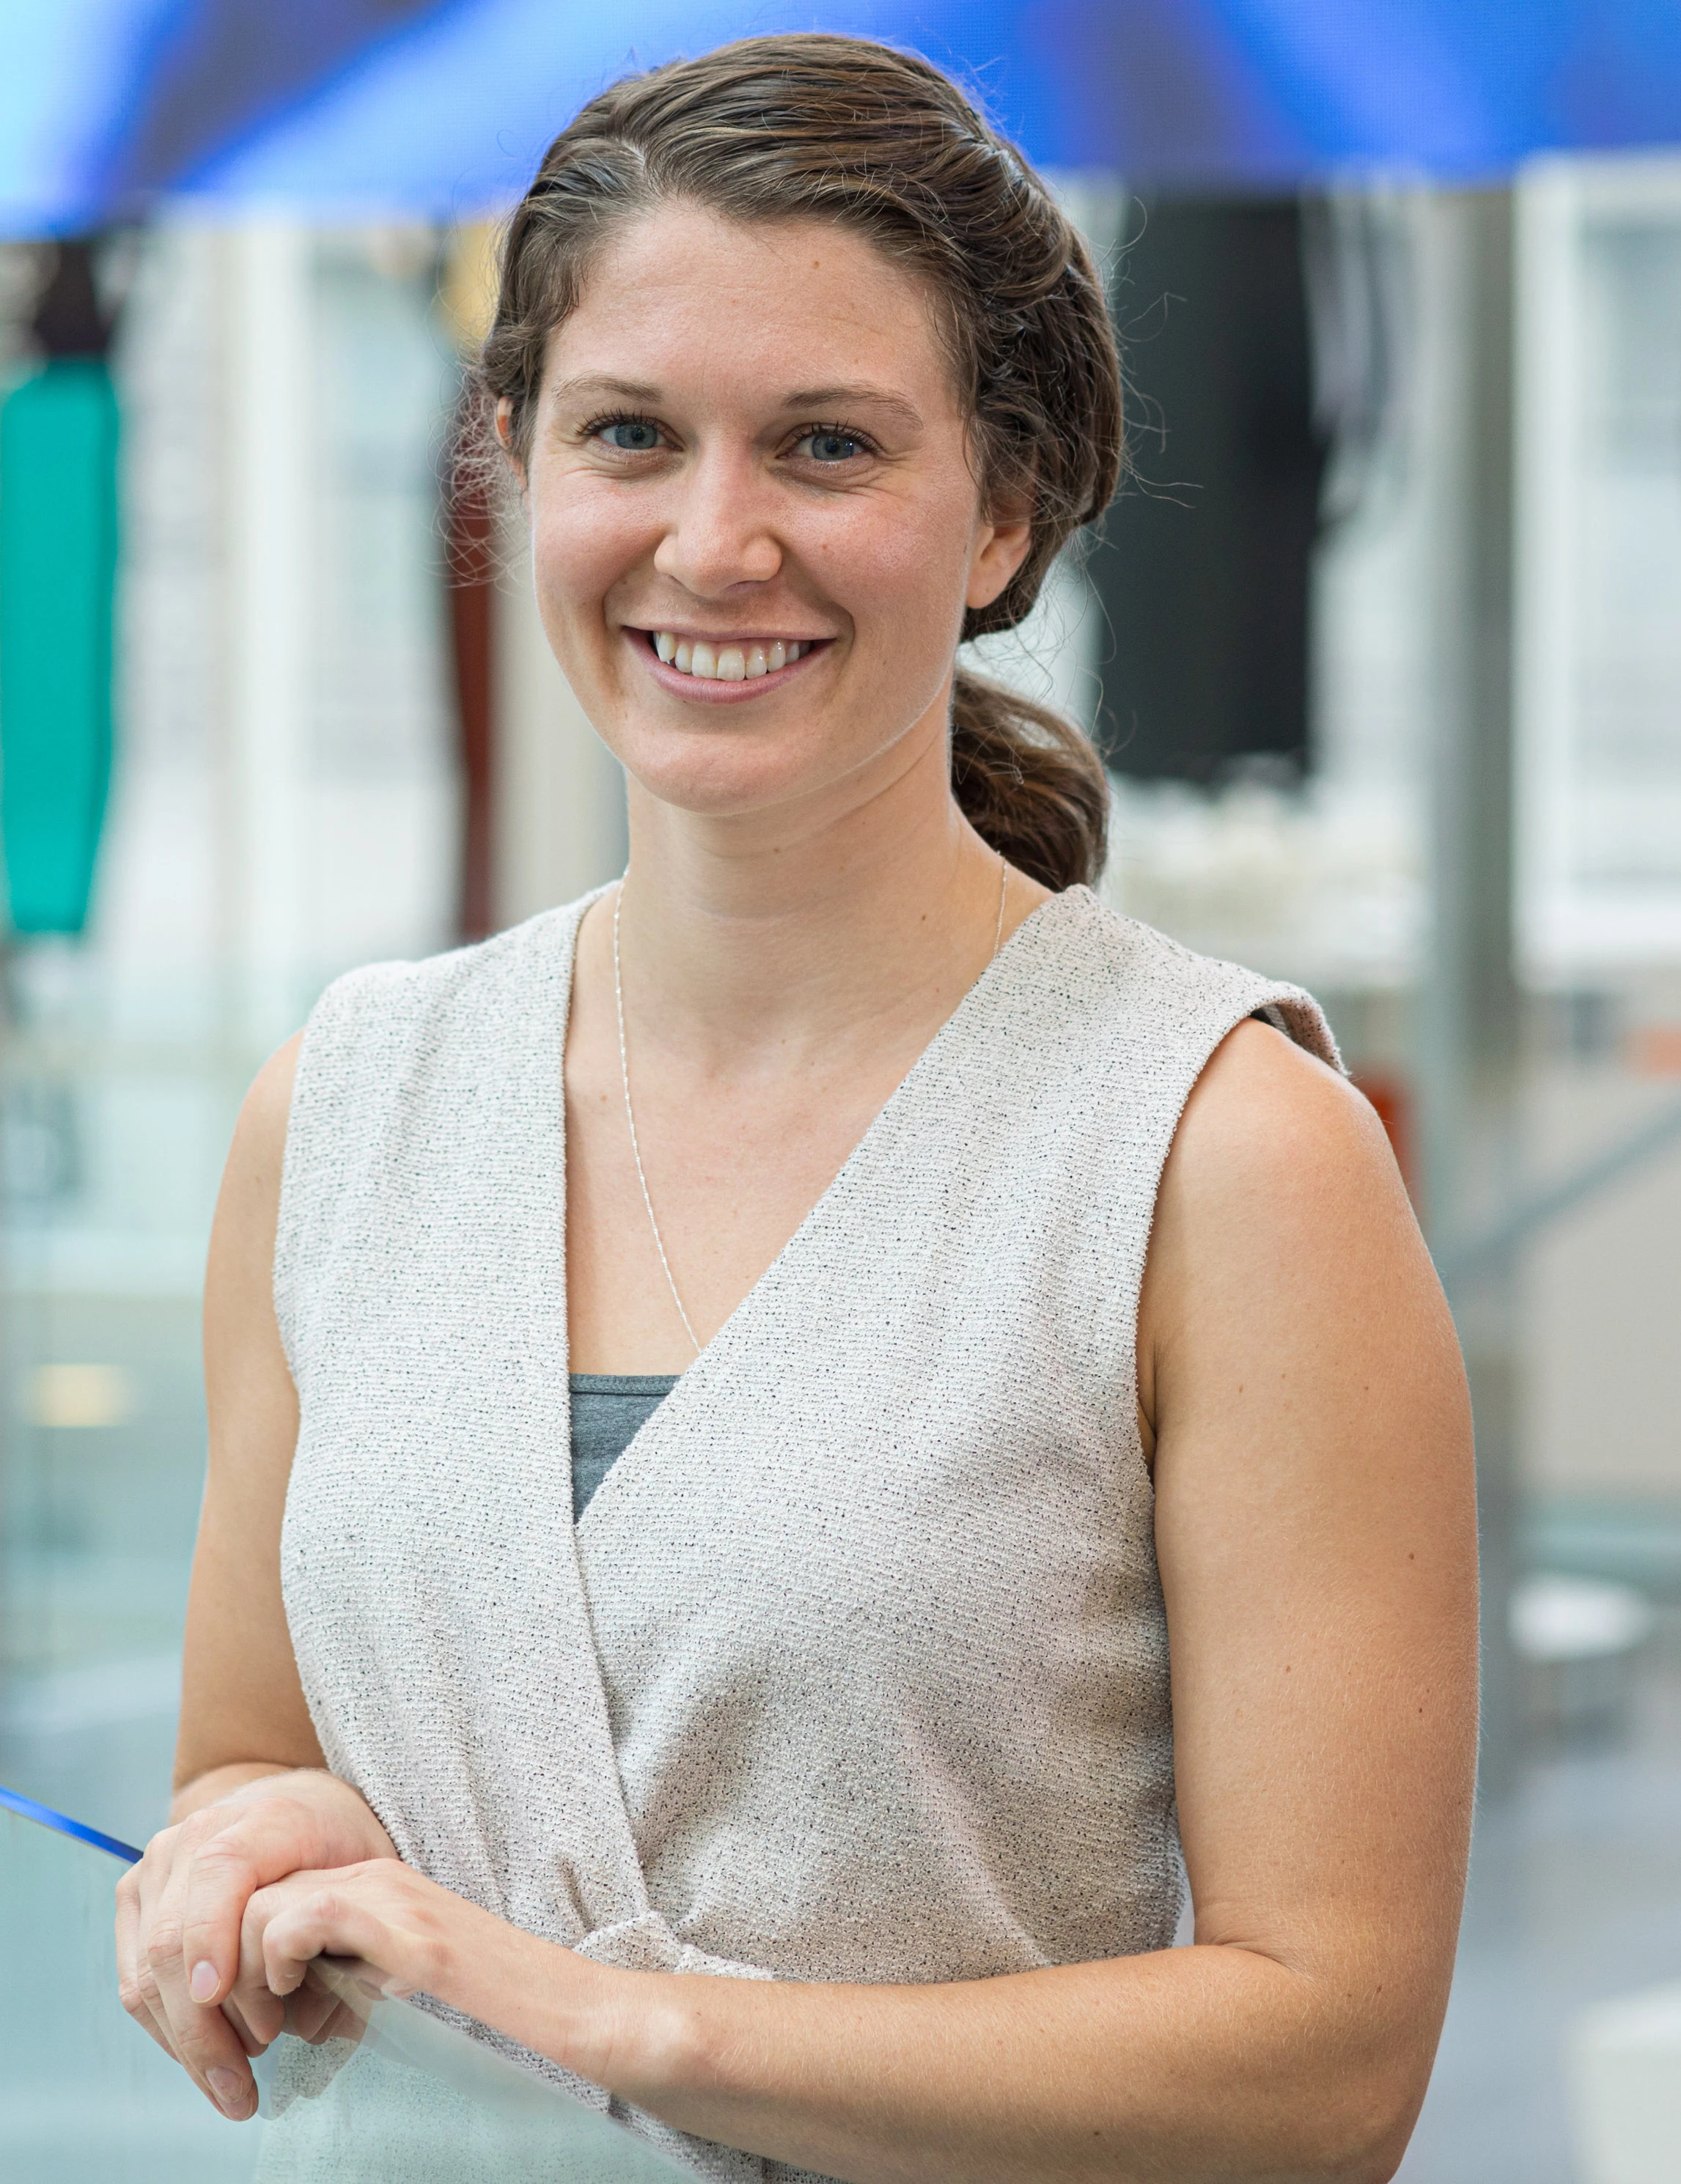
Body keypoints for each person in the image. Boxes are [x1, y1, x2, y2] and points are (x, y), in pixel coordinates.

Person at [117, 34, 1475, 2184]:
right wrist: (249, 1840)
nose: (714, 540)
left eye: (826, 444)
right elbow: (246, 1755)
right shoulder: (348, 1105)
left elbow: (1321, 2066)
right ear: (513, 462)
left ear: (1008, 501)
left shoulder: (1218, 1150)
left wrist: (628, 2017)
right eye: (629, 435)